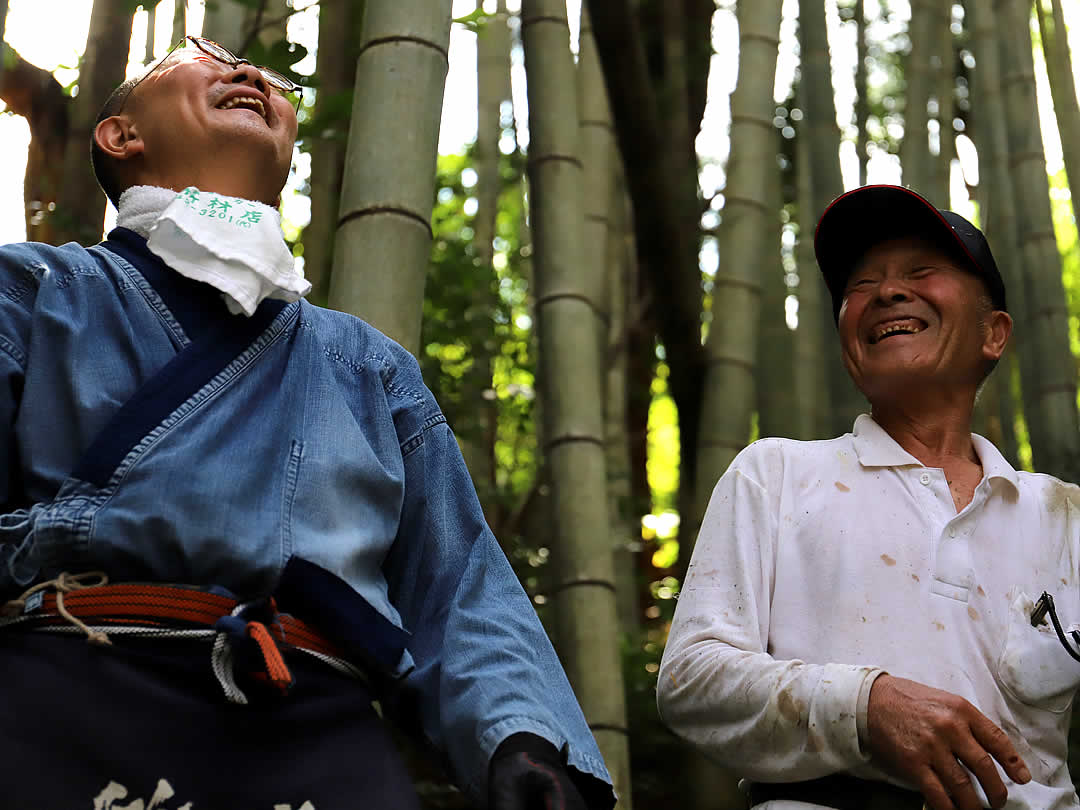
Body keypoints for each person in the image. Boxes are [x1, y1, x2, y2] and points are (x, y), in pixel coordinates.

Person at [0, 37, 615, 810]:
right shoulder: (35, 289)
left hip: (312, 730)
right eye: (202, 59)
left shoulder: (365, 362)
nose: (247, 73)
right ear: (122, 135)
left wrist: (520, 739)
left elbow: (458, 582)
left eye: (263, 77)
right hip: (73, 694)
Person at [657, 183, 1080, 810]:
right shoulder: (774, 476)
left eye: (921, 272)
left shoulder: (1062, 517)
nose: (886, 292)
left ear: (994, 333)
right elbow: (693, 677)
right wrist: (864, 705)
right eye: (860, 285)